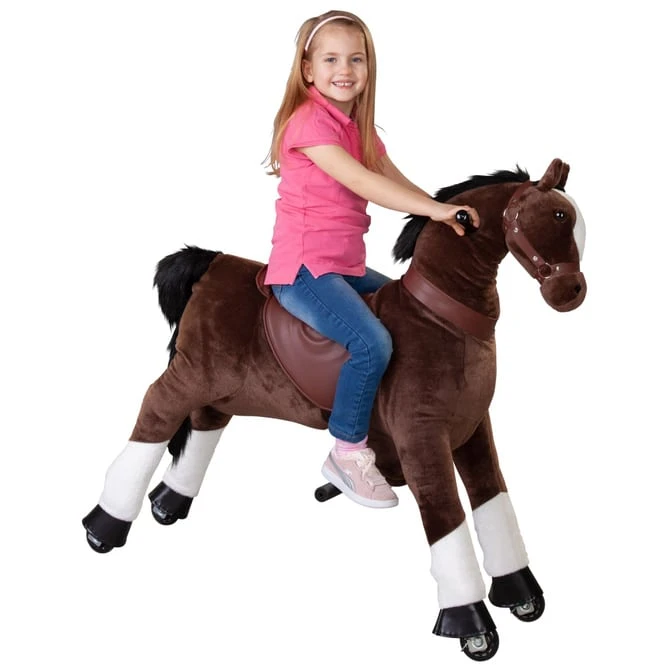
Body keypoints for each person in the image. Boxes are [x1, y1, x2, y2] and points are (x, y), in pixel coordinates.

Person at [264, 10, 479, 509]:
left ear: (369, 67)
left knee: (414, 312)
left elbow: (386, 172)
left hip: (346, 265)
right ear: (307, 69)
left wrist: (439, 211)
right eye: (331, 59)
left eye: (355, 59)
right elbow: (364, 183)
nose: (345, 69)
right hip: (303, 269)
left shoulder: (356, 126)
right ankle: (347, 451)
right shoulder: (308, 122)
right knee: (371, 343)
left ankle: (390, 424)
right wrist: (435, 211)